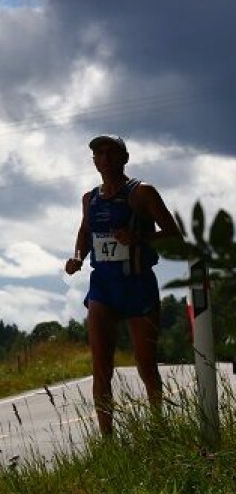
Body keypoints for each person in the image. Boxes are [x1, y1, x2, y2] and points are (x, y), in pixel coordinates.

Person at [64, 135, 180, 435]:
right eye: (98, 153)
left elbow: (173, 234)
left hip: (138, 285)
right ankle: (107, 441)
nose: (104, 158)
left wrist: (139, 237)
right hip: (103, 287)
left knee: (146, 365)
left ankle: (158, 429)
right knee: (101, 367)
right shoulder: (90, 199)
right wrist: (77, 257)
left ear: (124, 158)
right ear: (93, 161)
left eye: (110, 153)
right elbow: (85, 232)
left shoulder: (142, 193)